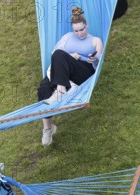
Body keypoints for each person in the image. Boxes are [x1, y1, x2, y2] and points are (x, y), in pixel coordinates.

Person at [37, 7, 104, 146]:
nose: (80, 33)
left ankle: (61, 90)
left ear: (87, 26)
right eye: (76, 30)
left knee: (60, 56)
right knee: (43, 88)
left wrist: (88, 58)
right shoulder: (67, 37)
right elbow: (55, 54)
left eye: (82, 29)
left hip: (83, 73)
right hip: (64, 72)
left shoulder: (95, 40)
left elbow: (98, 57)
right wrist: (71, 56)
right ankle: (48, 128)